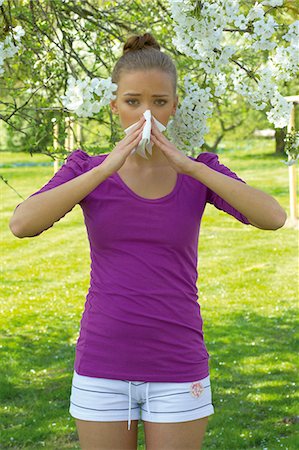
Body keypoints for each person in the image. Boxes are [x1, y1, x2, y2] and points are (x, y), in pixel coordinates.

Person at [9, 32, 287, 450]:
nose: (146, 114)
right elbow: (22, 224)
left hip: (178, 365)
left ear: (174, 107)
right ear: (114, 106)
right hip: (102, 366)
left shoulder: (198, 173)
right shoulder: (86, 169)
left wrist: (191, 167)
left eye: (159, 102)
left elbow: (274, 217)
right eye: (133, 101)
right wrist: (105, 169)